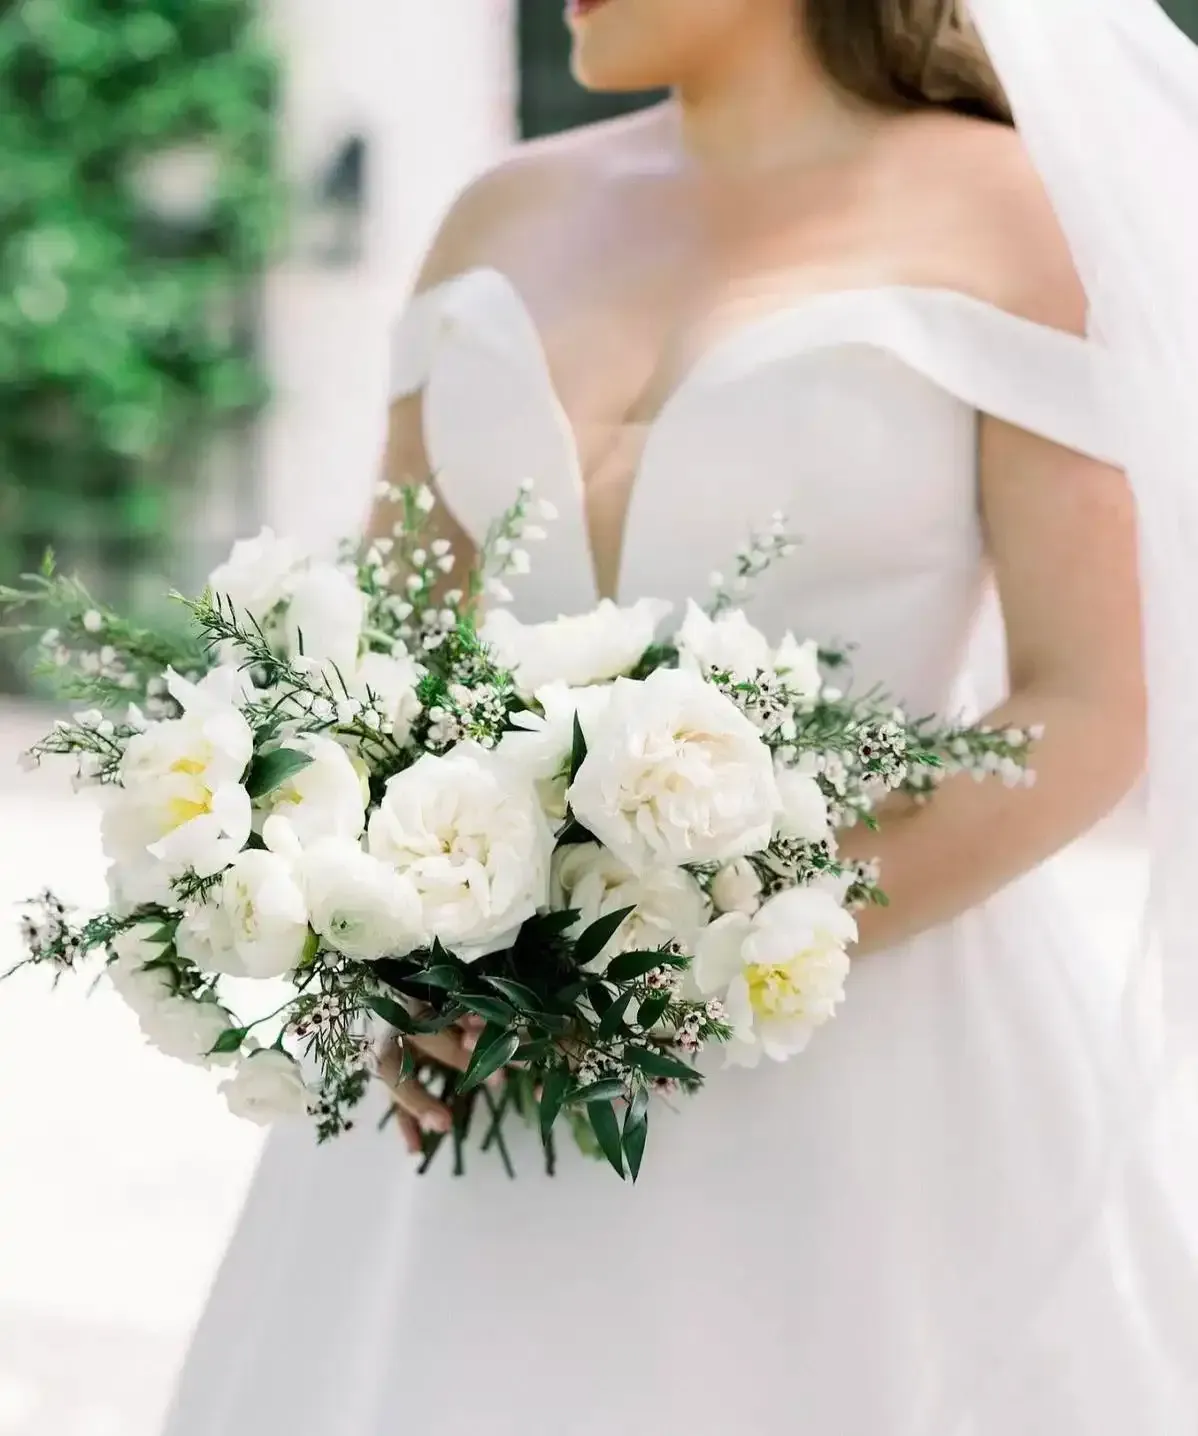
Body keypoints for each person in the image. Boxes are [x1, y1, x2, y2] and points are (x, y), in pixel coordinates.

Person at [163, 2, 1198, 1432]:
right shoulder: (499, 211)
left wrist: (658, 969)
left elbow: (1088, 706)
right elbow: (383, 668)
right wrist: (376, 943)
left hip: (862, 1070)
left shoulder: (1012, 211)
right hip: (475, 1078)